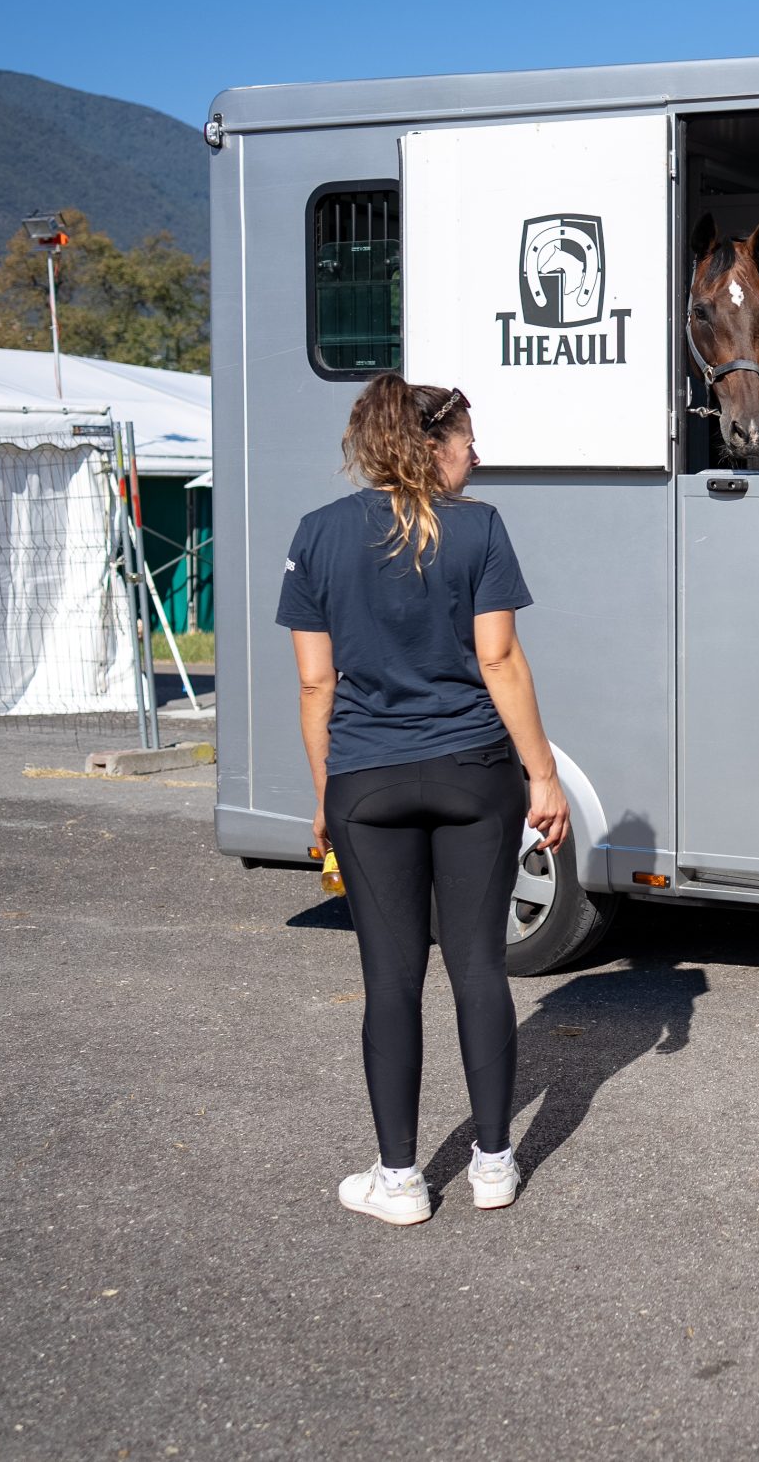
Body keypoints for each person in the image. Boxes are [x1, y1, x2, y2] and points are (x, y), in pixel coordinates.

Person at [279, 376, 571, 1226]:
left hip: (365, 780)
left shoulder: (316, 536)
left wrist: (326, 796)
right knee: (480, 965)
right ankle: (493, 1165)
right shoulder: (479, 528)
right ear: (429, 445)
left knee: (390, 982)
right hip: (475, 773)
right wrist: (542, 772)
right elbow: (501, 660)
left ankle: (400, 1180)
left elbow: (313, 683)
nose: (476, 455)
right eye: (466, 440)